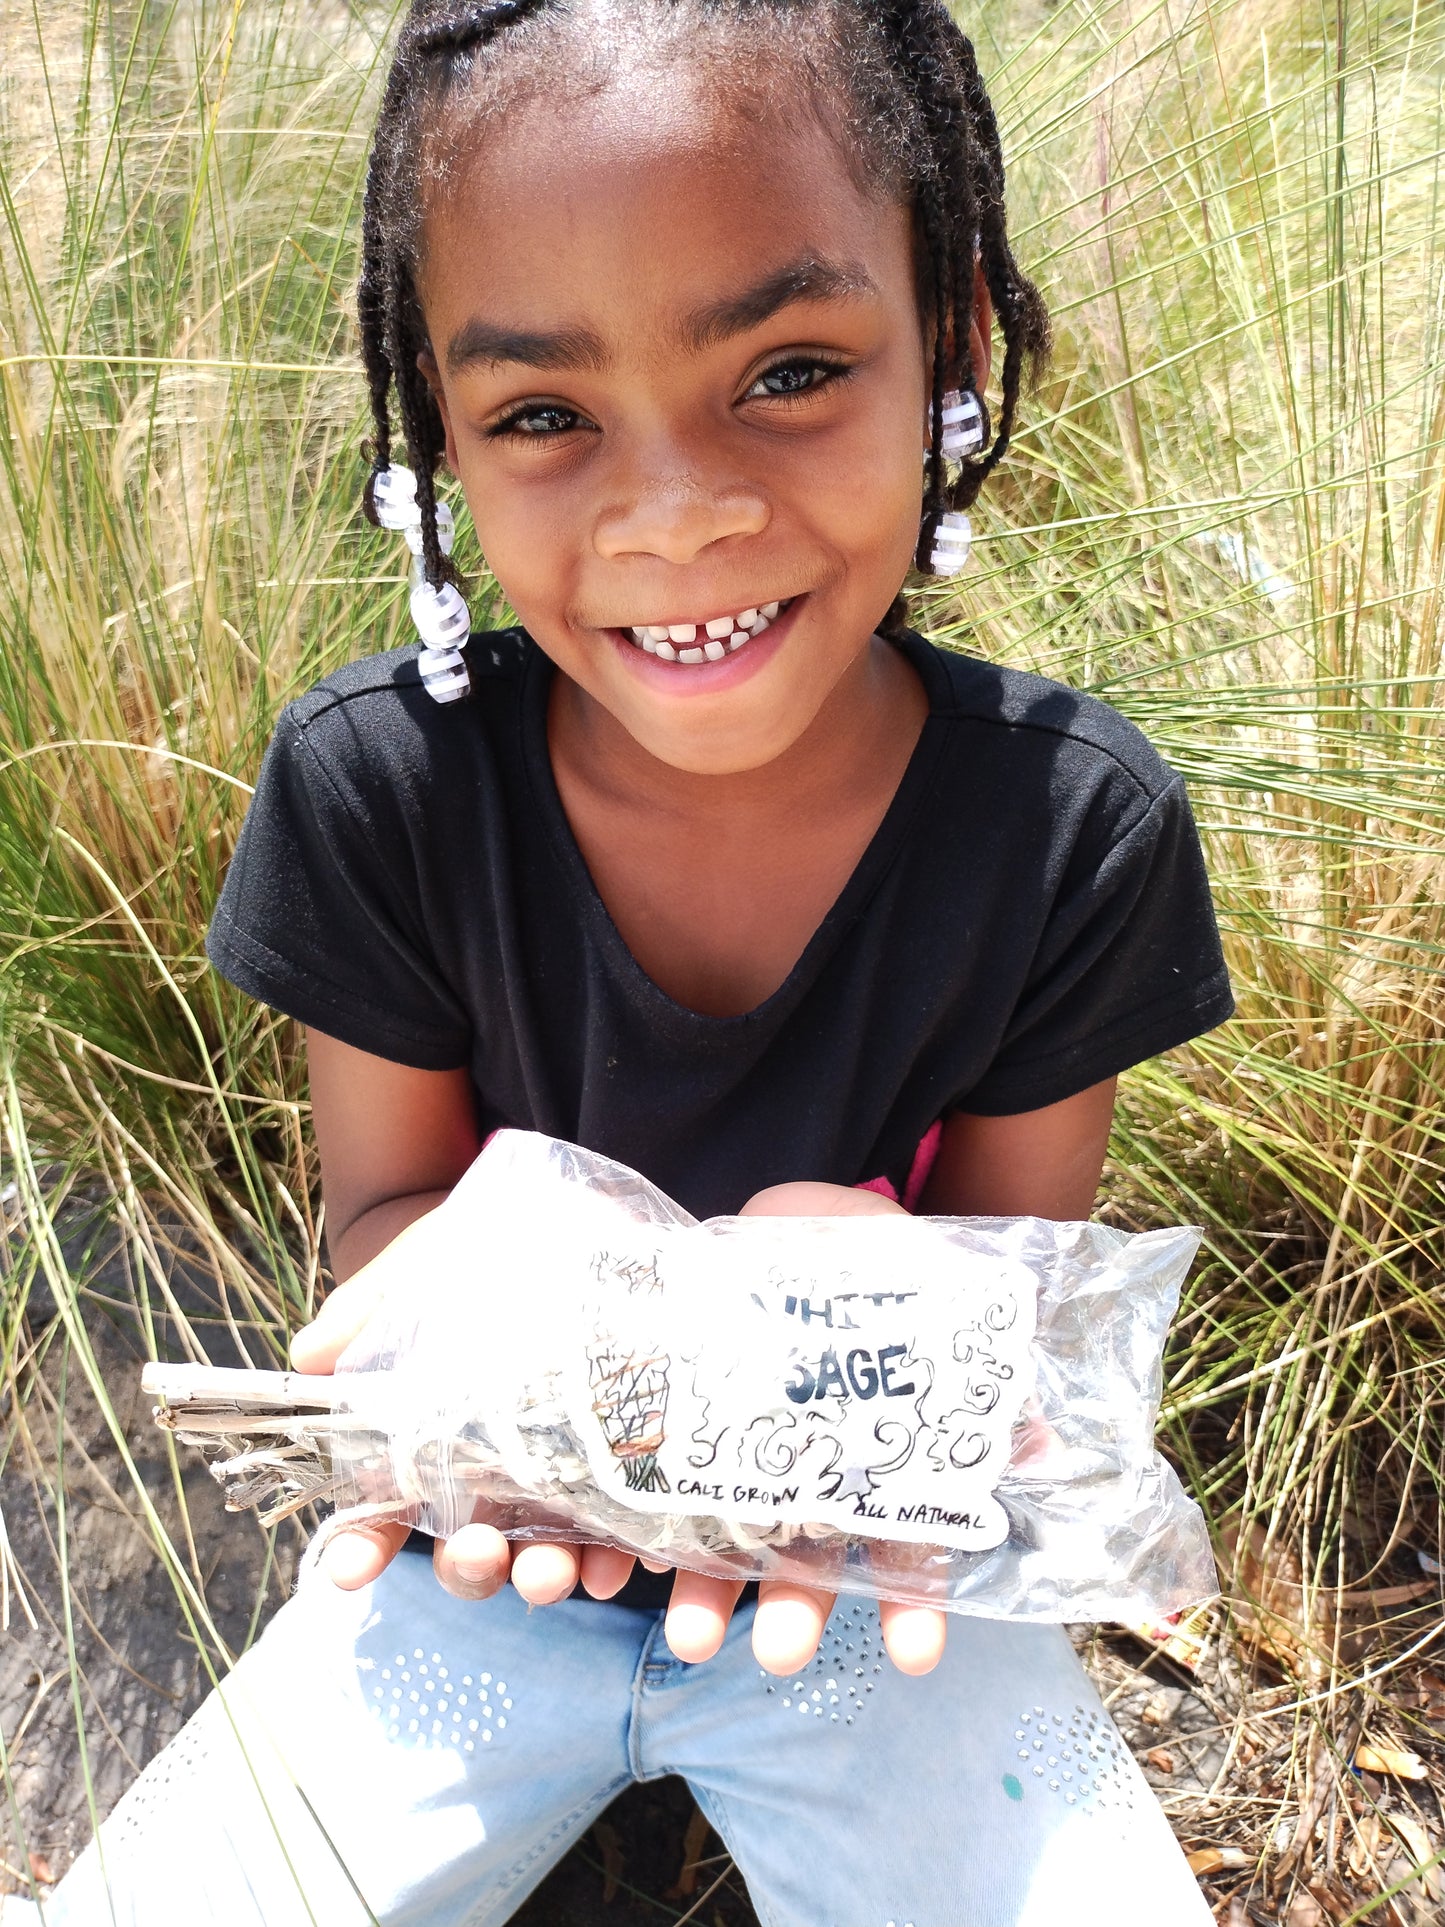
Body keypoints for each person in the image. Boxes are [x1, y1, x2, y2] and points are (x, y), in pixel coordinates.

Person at [48, 2, 1234, 1922]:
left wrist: (883, 1284)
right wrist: (505, 1309)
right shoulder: (380, 789)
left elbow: (1015, 1301)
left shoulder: (1066, 829)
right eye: (540, 413)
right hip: (475, 1535)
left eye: (788, 368)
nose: (675, 510)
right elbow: (386, 1214)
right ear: (434, 436)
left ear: (953, 337)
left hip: (869, 1572)